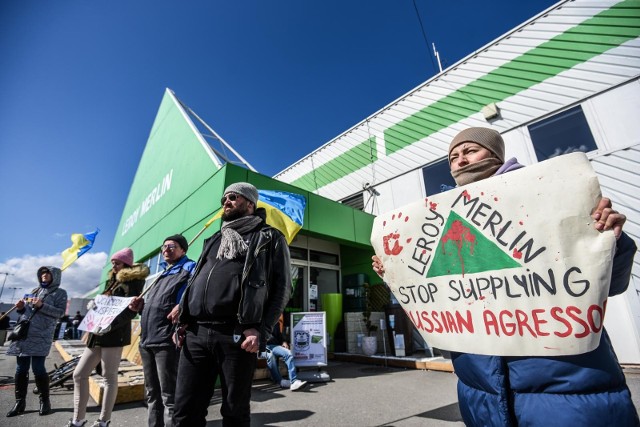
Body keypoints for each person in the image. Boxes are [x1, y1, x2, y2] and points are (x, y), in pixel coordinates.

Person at [372, 127, 640, 427]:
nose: (460, 161)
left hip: (567, 388)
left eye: (470, 151)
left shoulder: (551, 196)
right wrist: (396, 272)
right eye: (453, 157)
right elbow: (439, 294)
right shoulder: (438, 219)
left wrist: (611, 241)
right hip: (482, 394)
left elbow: (610, 283)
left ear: (495, 154)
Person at [172, 182, 291, 427]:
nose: (225, 201)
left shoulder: (268, 237)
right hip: (196, 334)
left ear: (249, 203)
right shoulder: (214, 238)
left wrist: (261, 329)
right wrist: (184, 318)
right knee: (184, 410)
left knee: (234, 412)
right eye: (224, 198)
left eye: (233, 197)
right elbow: (196, 280)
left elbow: (282, 289)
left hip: (236, 336)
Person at [67, 248, 150, 427]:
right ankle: (78, 419)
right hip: (96, 335)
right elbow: (105, 306)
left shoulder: (133, 281)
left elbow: (130, 312)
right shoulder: (111, 281)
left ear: (127, 264)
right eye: (112, 261)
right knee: (79, 374)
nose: (114, 264)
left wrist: (109, 325)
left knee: (108, 376)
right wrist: (94, 307)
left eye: (118, 262)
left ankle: (103, 421)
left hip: (114, 335)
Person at [128, 234, 196, 427]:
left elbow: (196, 292)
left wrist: (183, 305)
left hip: (167, 340)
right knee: (152, 393)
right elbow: (159, 305)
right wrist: (141, 306)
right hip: (147, 340)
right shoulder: (162, 274)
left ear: (183, 250)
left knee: (169, 395)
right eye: (164, 246)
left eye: (172, 246)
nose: (166, 250)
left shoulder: (188, 268)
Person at [6, 266, 68, 417]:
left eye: (47, 273)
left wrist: (42, 305)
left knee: (38, 368)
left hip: (41, 335)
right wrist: (20, 309)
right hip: (24, 335)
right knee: (21, 369)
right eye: (42, 273)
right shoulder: (34, 291)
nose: (44, 275)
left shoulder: (60, 293)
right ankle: (19, 402)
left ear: (54, 276)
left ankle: (44, 401)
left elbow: (60, 313)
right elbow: (27, 312)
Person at [266, 316, 307, 391]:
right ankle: (280, 381)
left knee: (288, 353)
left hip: (274, 346)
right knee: (271, 356)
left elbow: (279, 335)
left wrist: (284, 341)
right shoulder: (258, 320)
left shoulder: (275, 322)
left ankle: (294, 381)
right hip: (262, 346)